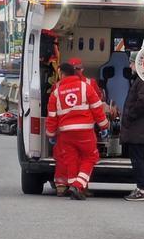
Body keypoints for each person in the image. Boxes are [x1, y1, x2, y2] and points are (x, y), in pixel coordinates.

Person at [46, 62, 109, 201]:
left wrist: (51, 134)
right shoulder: (85, 87)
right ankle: (78, 185)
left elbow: (52, 117)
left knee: (71, 160)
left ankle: (74, 187)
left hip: (66, 134)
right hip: (85, 131)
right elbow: (97, 108)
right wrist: (104, 126)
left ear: (61, 74)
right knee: (90, 157)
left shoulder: (56, 92)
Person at [120, 72, 144, 201]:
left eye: (132, 63)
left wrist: (131, 115)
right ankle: (143, 188)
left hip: (139, 128)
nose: (130, 67)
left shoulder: (143, 80)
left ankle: (142, 190)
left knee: (138, 159)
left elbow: (143, 101)